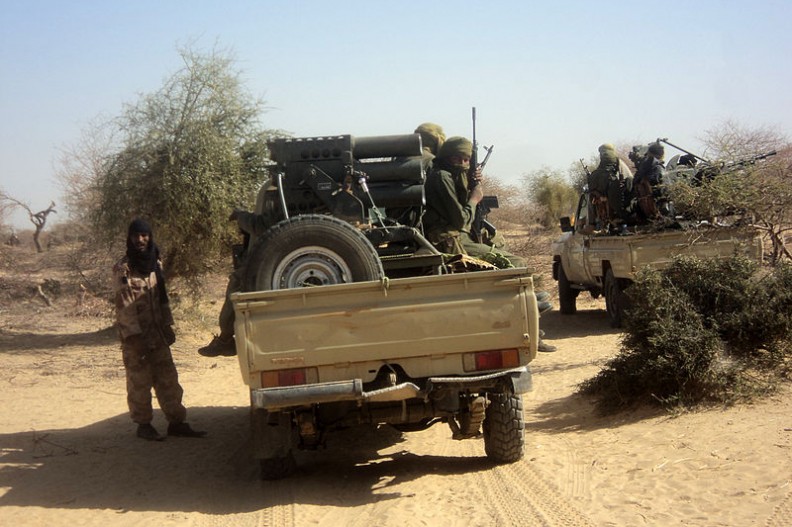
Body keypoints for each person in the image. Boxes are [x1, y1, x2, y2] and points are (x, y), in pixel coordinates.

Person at [422, 136, 556, 351]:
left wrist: (470, 181)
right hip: (451, 240)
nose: (464, 164)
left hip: (457, 236)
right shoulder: (441, 177)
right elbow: (460, 219)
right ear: (447, 157)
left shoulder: (447, 174)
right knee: (518, 264)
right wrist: (474, 198)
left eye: (467, 160)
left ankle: (533, 315)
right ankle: (533, 317)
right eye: (459, 159)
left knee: (506, 256)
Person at [113, 218, 206, 441]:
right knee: (140, 382)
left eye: (144, 235)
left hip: (157, 335)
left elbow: (162, 298)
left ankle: (177, 422)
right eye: (136, 235)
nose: (140, 240)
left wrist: (167, 325)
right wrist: (136, 338)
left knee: (168, 379)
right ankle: (143, 425)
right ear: (130, 238)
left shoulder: (155, 264)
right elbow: (124, 306)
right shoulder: (124, 269)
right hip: (136, 338)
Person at [587, 144, 634, 232]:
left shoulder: (595, 174)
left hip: (607, 210)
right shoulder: (617, 165)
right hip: (617, 207)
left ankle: (592, 224)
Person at [633, 141, 668, 221]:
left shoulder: (641, 170)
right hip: (658, 209)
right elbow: (662, 189)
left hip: (644, 209)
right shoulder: (658, 168)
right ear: (661, 155)